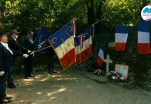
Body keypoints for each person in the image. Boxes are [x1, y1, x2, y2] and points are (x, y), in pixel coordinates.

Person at [0, 31, 13, 103]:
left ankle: (3, 95)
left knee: (4, 82)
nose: (6, 37)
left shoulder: (4, 45)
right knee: (2, 83)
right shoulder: (0, 46)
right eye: (5, 36)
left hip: (6, 68)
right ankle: (1, 98)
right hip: (3, 69)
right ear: (1, 38)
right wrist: (0, 69)